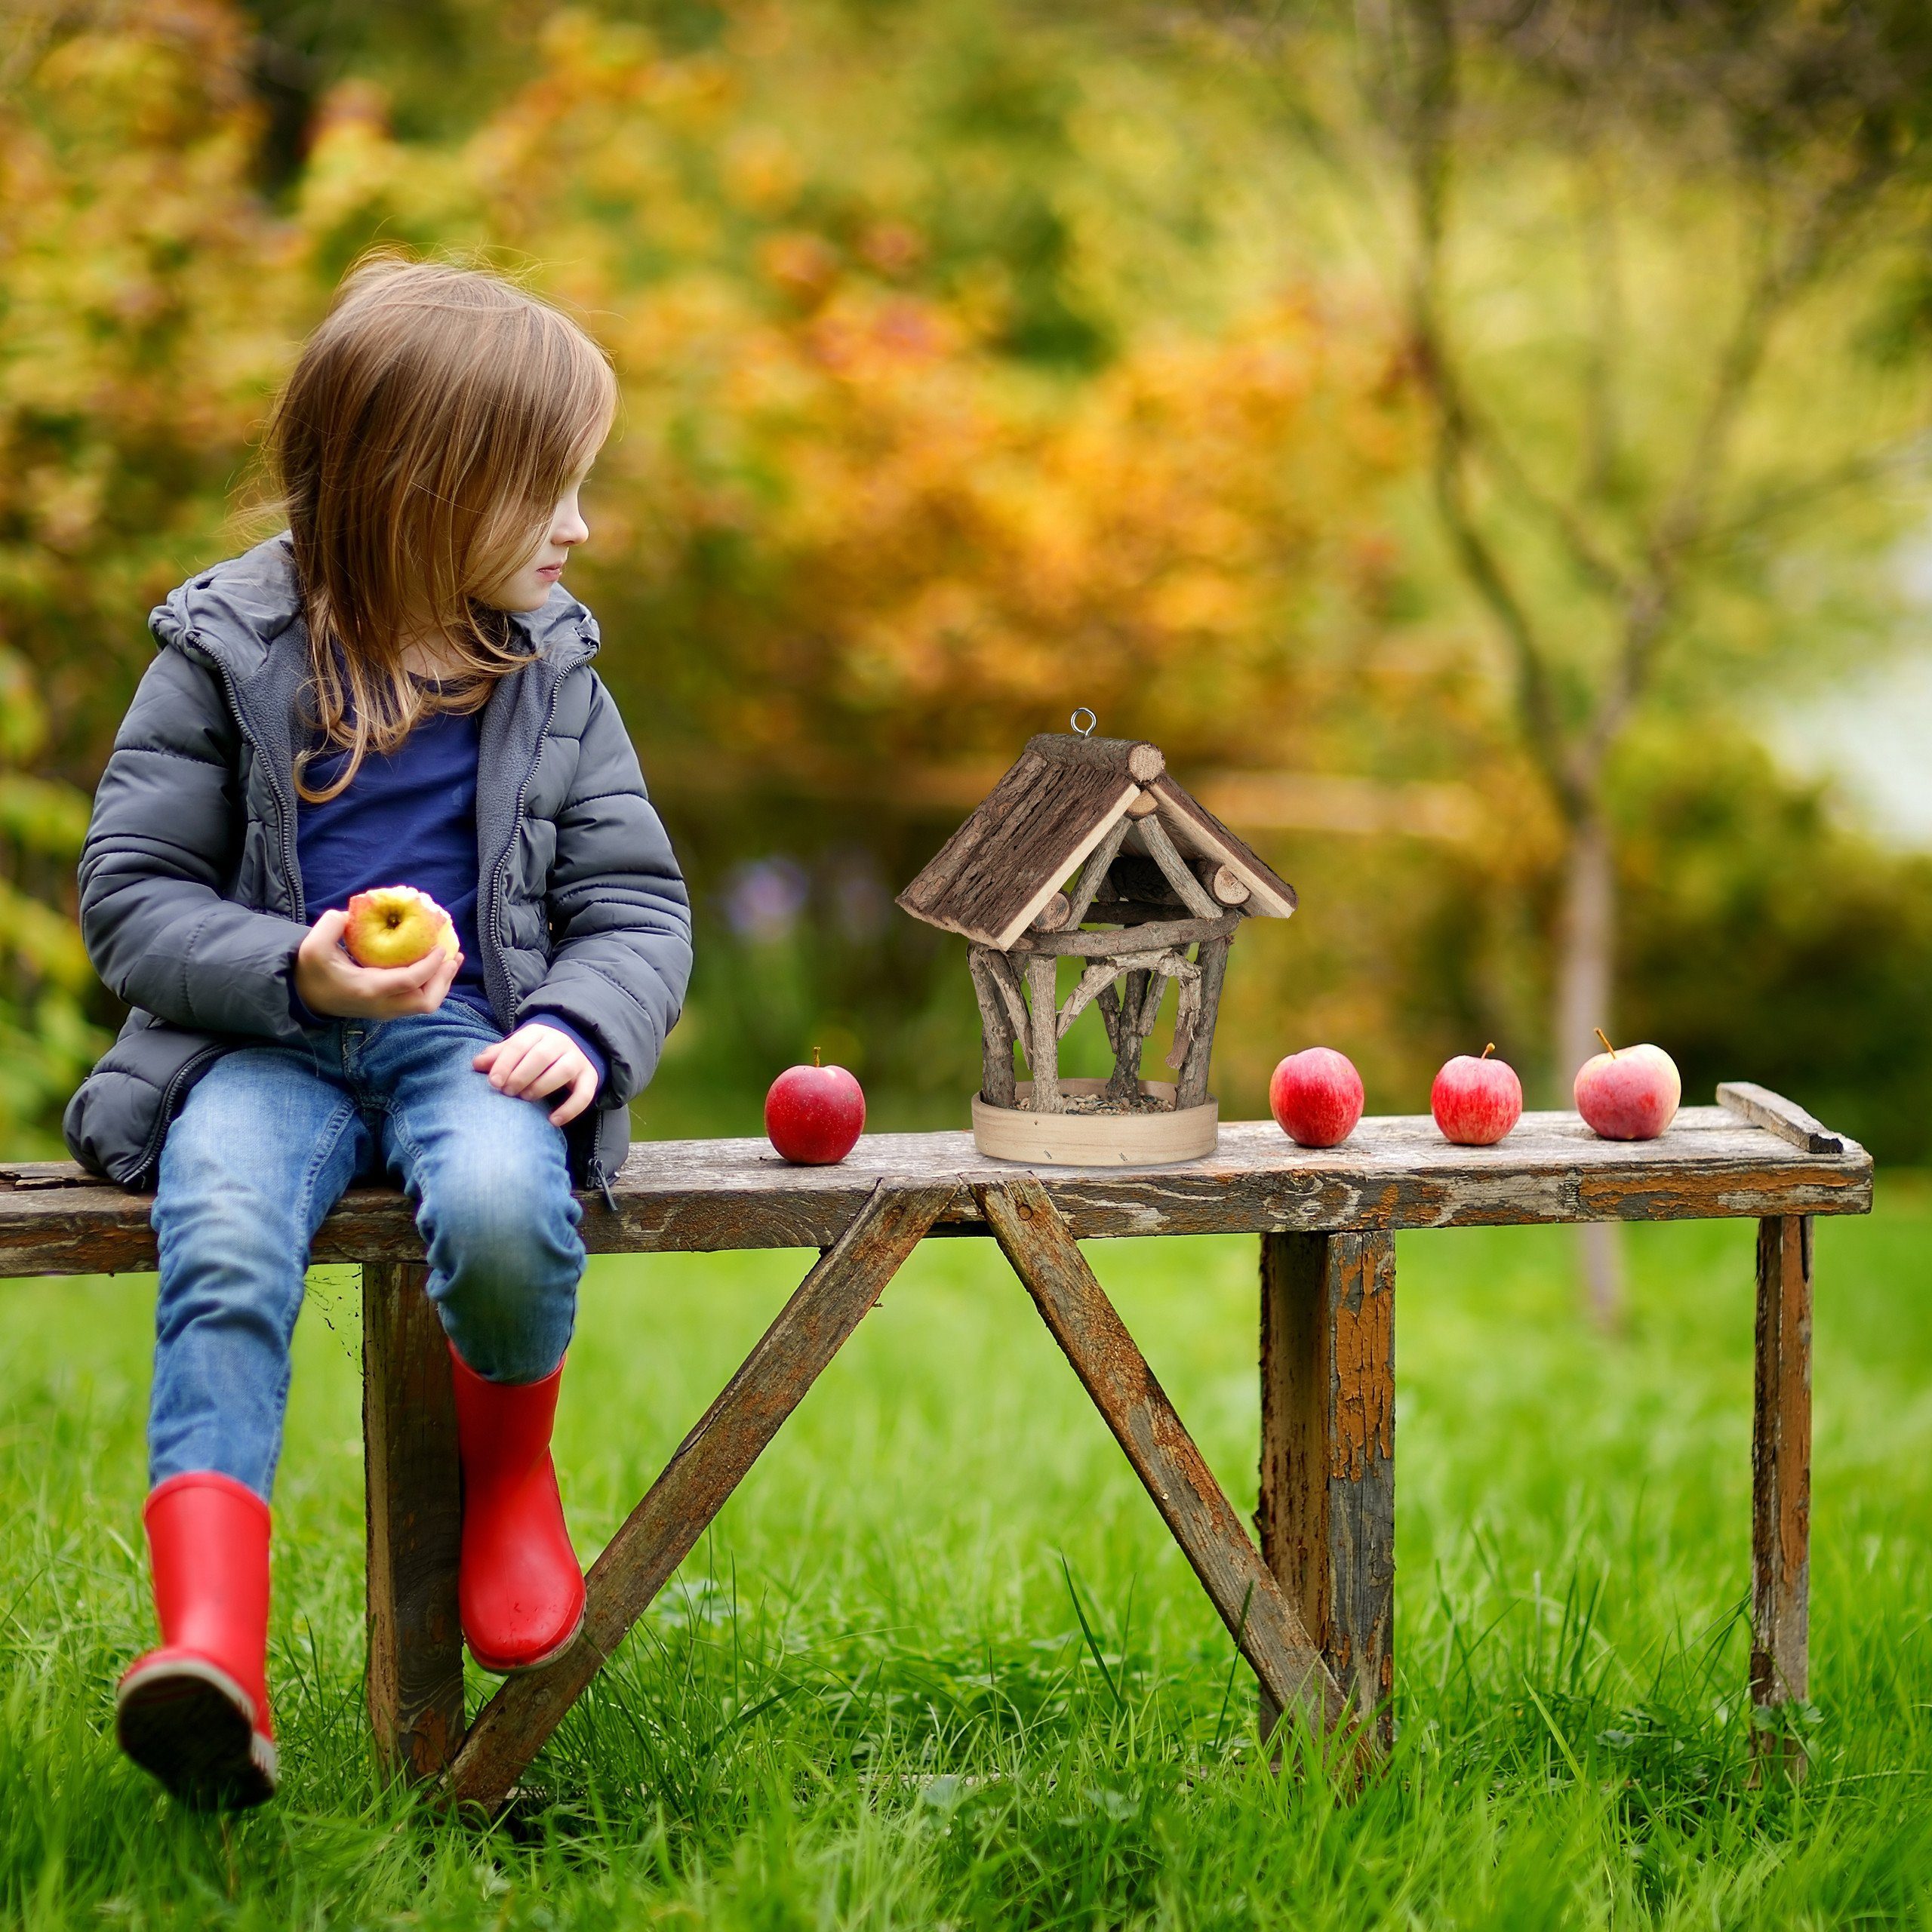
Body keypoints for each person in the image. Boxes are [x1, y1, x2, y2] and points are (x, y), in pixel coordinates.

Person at [63, 255, 693, 1810]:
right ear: (430, 489)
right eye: (550, 489)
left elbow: (636, 899)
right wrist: (297, 965)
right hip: (261, 1043)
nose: (579, 526)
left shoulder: (548, 672)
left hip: (466, 1038)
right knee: (220, 1241)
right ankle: (209, 1646)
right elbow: (131, 897)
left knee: (497, 1199)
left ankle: (510, 1480)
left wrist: (580, 1028)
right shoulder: (222, 650)